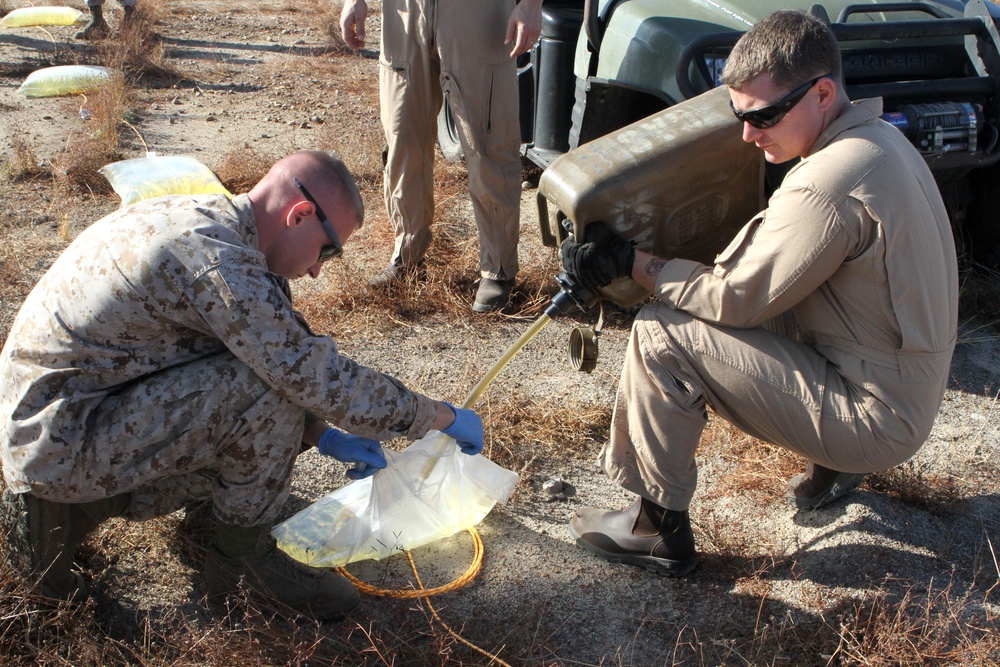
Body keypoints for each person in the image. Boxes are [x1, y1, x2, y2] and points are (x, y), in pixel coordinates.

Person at [0, 150, 486, 620]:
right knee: (270, 395)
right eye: (328, 249)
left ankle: (139, 511)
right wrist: (441, 417)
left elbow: (263, 349)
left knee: (274, 386)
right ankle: (237, 566)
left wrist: (321, 433)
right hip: (58, 441)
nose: (318, 268)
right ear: (300, 215)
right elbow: (314, 377)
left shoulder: (212, 221)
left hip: (60, 419)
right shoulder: (219, 262)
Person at [559, 11, 958, 577]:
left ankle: (655, 528)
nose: (749, 133)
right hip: (899, 383)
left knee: (660, 331)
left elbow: (734, 299)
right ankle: (834, 466)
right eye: (738, 114)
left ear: (822, 93)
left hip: (877, 417)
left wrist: (633, 263)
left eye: (765, 114)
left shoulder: (827, 184)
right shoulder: (878, 140)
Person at [340, 0, 543, 313]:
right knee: (402, 135)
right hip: (404, 13)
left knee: (487, 140)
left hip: (478, 13)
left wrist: (530, 6)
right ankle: (407, 256)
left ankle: (498, 270)